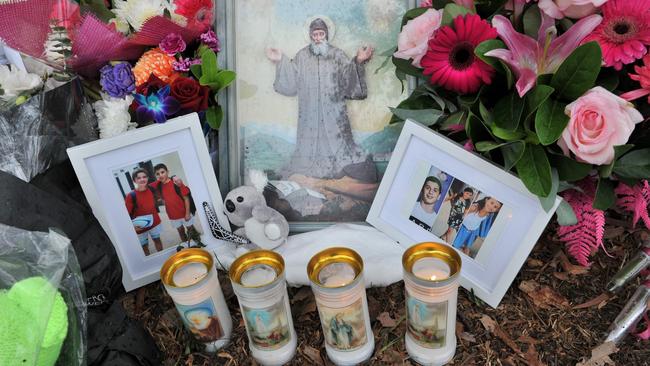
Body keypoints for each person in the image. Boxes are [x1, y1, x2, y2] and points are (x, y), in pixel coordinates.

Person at [265, 18, 378, 204]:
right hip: (309, 114)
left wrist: (358, 60)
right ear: (310, 36)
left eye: (321, 34)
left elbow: (348, 79)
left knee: (340, 144)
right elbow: (291, 82)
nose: (318, 38)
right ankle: (313, 180)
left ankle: (338, 177)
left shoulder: (337, 55)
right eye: (315, 35)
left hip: (334, 113)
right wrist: (280, 60)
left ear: (326, 34)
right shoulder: (301, 56)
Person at [149, 163, 197, 242]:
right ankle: (187, 246)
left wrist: (187, 213)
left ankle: (198, 244)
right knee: (181, 232)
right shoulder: (158, 185)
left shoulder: (176, 182)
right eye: (157, 174)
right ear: (155, 176)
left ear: (167, 172)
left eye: (162, 172)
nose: (160, 175)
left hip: (184, 213)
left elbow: (186, 198)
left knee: (191, 230)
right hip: (173, 215)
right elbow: (147, 186)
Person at [125, 169, 162, 255]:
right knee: (144, 247)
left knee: (157, 241)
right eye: (139, 178)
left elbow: (161, 181)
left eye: (144, 177)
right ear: (135, 180)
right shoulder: (131, 195)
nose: (142, 179)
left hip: (154, 223)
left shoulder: (151, 189)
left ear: (148, 178)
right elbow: (126, 215)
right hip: (140, 227)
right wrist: (132, 227)